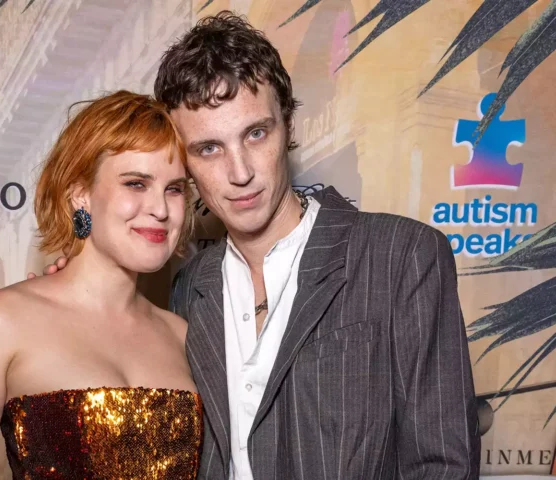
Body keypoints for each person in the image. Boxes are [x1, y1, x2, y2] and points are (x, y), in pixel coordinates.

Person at [34, 11, 481, 480]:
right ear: (184, 164)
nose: (240, 172)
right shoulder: (190, 288)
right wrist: (72, 300)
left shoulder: (400, 255)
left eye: (255, 133)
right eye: (209, 148)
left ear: (288, 126)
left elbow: (444, 465)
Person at [0, 91, 203, 480]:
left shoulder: (183, 336)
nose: (161, 209)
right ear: (81, 195)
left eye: (174, 189)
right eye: (136, 183)